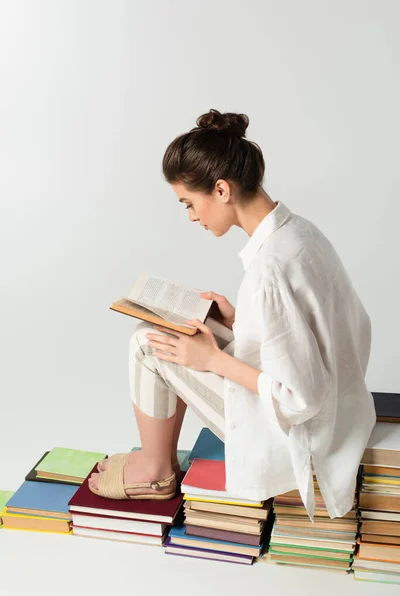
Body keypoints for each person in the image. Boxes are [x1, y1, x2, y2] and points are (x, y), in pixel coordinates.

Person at [88, 109, 376, 519]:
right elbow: (330, 329)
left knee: (146, 344)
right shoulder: (301, 233)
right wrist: (240, 320)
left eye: (189, 203)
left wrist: (213, 361)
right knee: (179, 331)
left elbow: (299, 400)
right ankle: (161, 463)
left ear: (221, 190)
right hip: (341, 405)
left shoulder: (268, 270)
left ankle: (154, 471)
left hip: (304, 432)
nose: (191, 217)